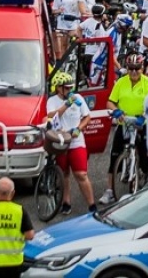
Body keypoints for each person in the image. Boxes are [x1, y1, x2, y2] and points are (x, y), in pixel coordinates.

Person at [101, 57, 148, 204]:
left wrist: (144, 116)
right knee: (114, 156)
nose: (134, 71)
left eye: (137, 68)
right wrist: (116, 111)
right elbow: (110, 102)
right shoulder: (121, 82)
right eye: (131, 68)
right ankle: (110, 191)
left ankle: (146, 183)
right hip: (124, 123)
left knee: (144, 157)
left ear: (142, 68)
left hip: (141, 123)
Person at [46, 71, 95, 215]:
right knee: (64, 174)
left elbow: (87, 117)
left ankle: (92, 205)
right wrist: (66, 105)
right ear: (58, 88)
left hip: (76, 141)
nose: (69, 91)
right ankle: (66, 202)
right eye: (66, 88)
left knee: (81, 174)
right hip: (60, 141)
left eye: (70, 88)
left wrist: (79, 129)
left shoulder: (78, 97)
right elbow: (51, 116)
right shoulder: (52, 101)